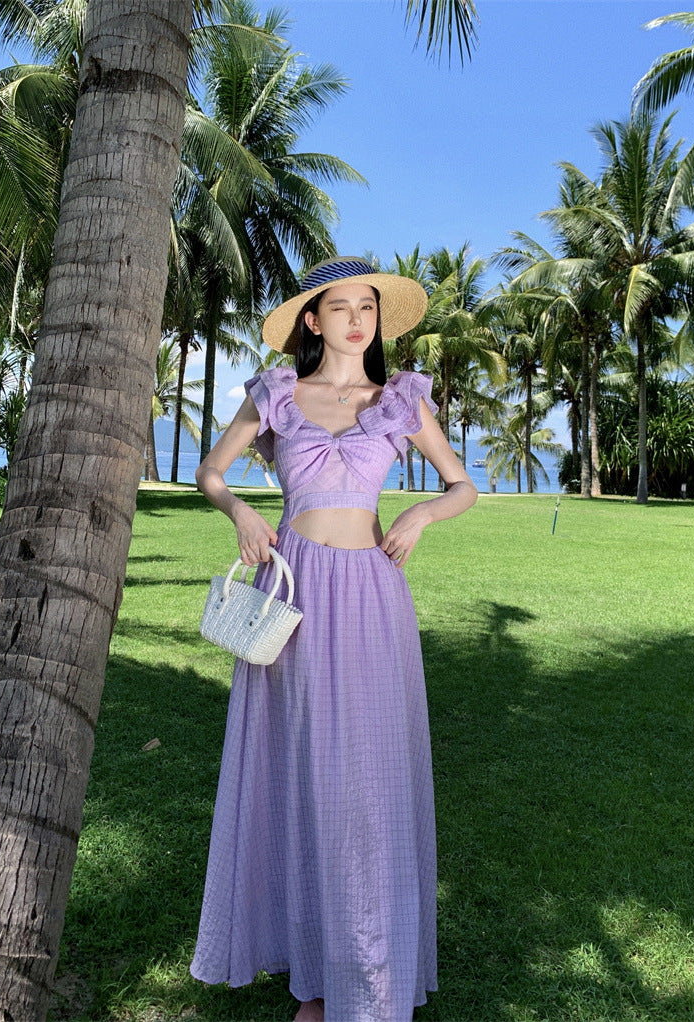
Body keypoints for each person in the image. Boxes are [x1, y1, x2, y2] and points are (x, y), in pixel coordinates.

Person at [190, 256, 478, 1021]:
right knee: (304, 773)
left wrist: (418, 515)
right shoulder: (279, 394)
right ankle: (317, 980)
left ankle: (373, 977)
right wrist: (245, 515)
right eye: (341, 307)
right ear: (312, 321)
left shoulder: (401, 399)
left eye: (368, 307)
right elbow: (211, 473)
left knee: (372, 783)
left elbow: (463, 485)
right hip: (297, 591)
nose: (357, 319)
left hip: (373, 594)